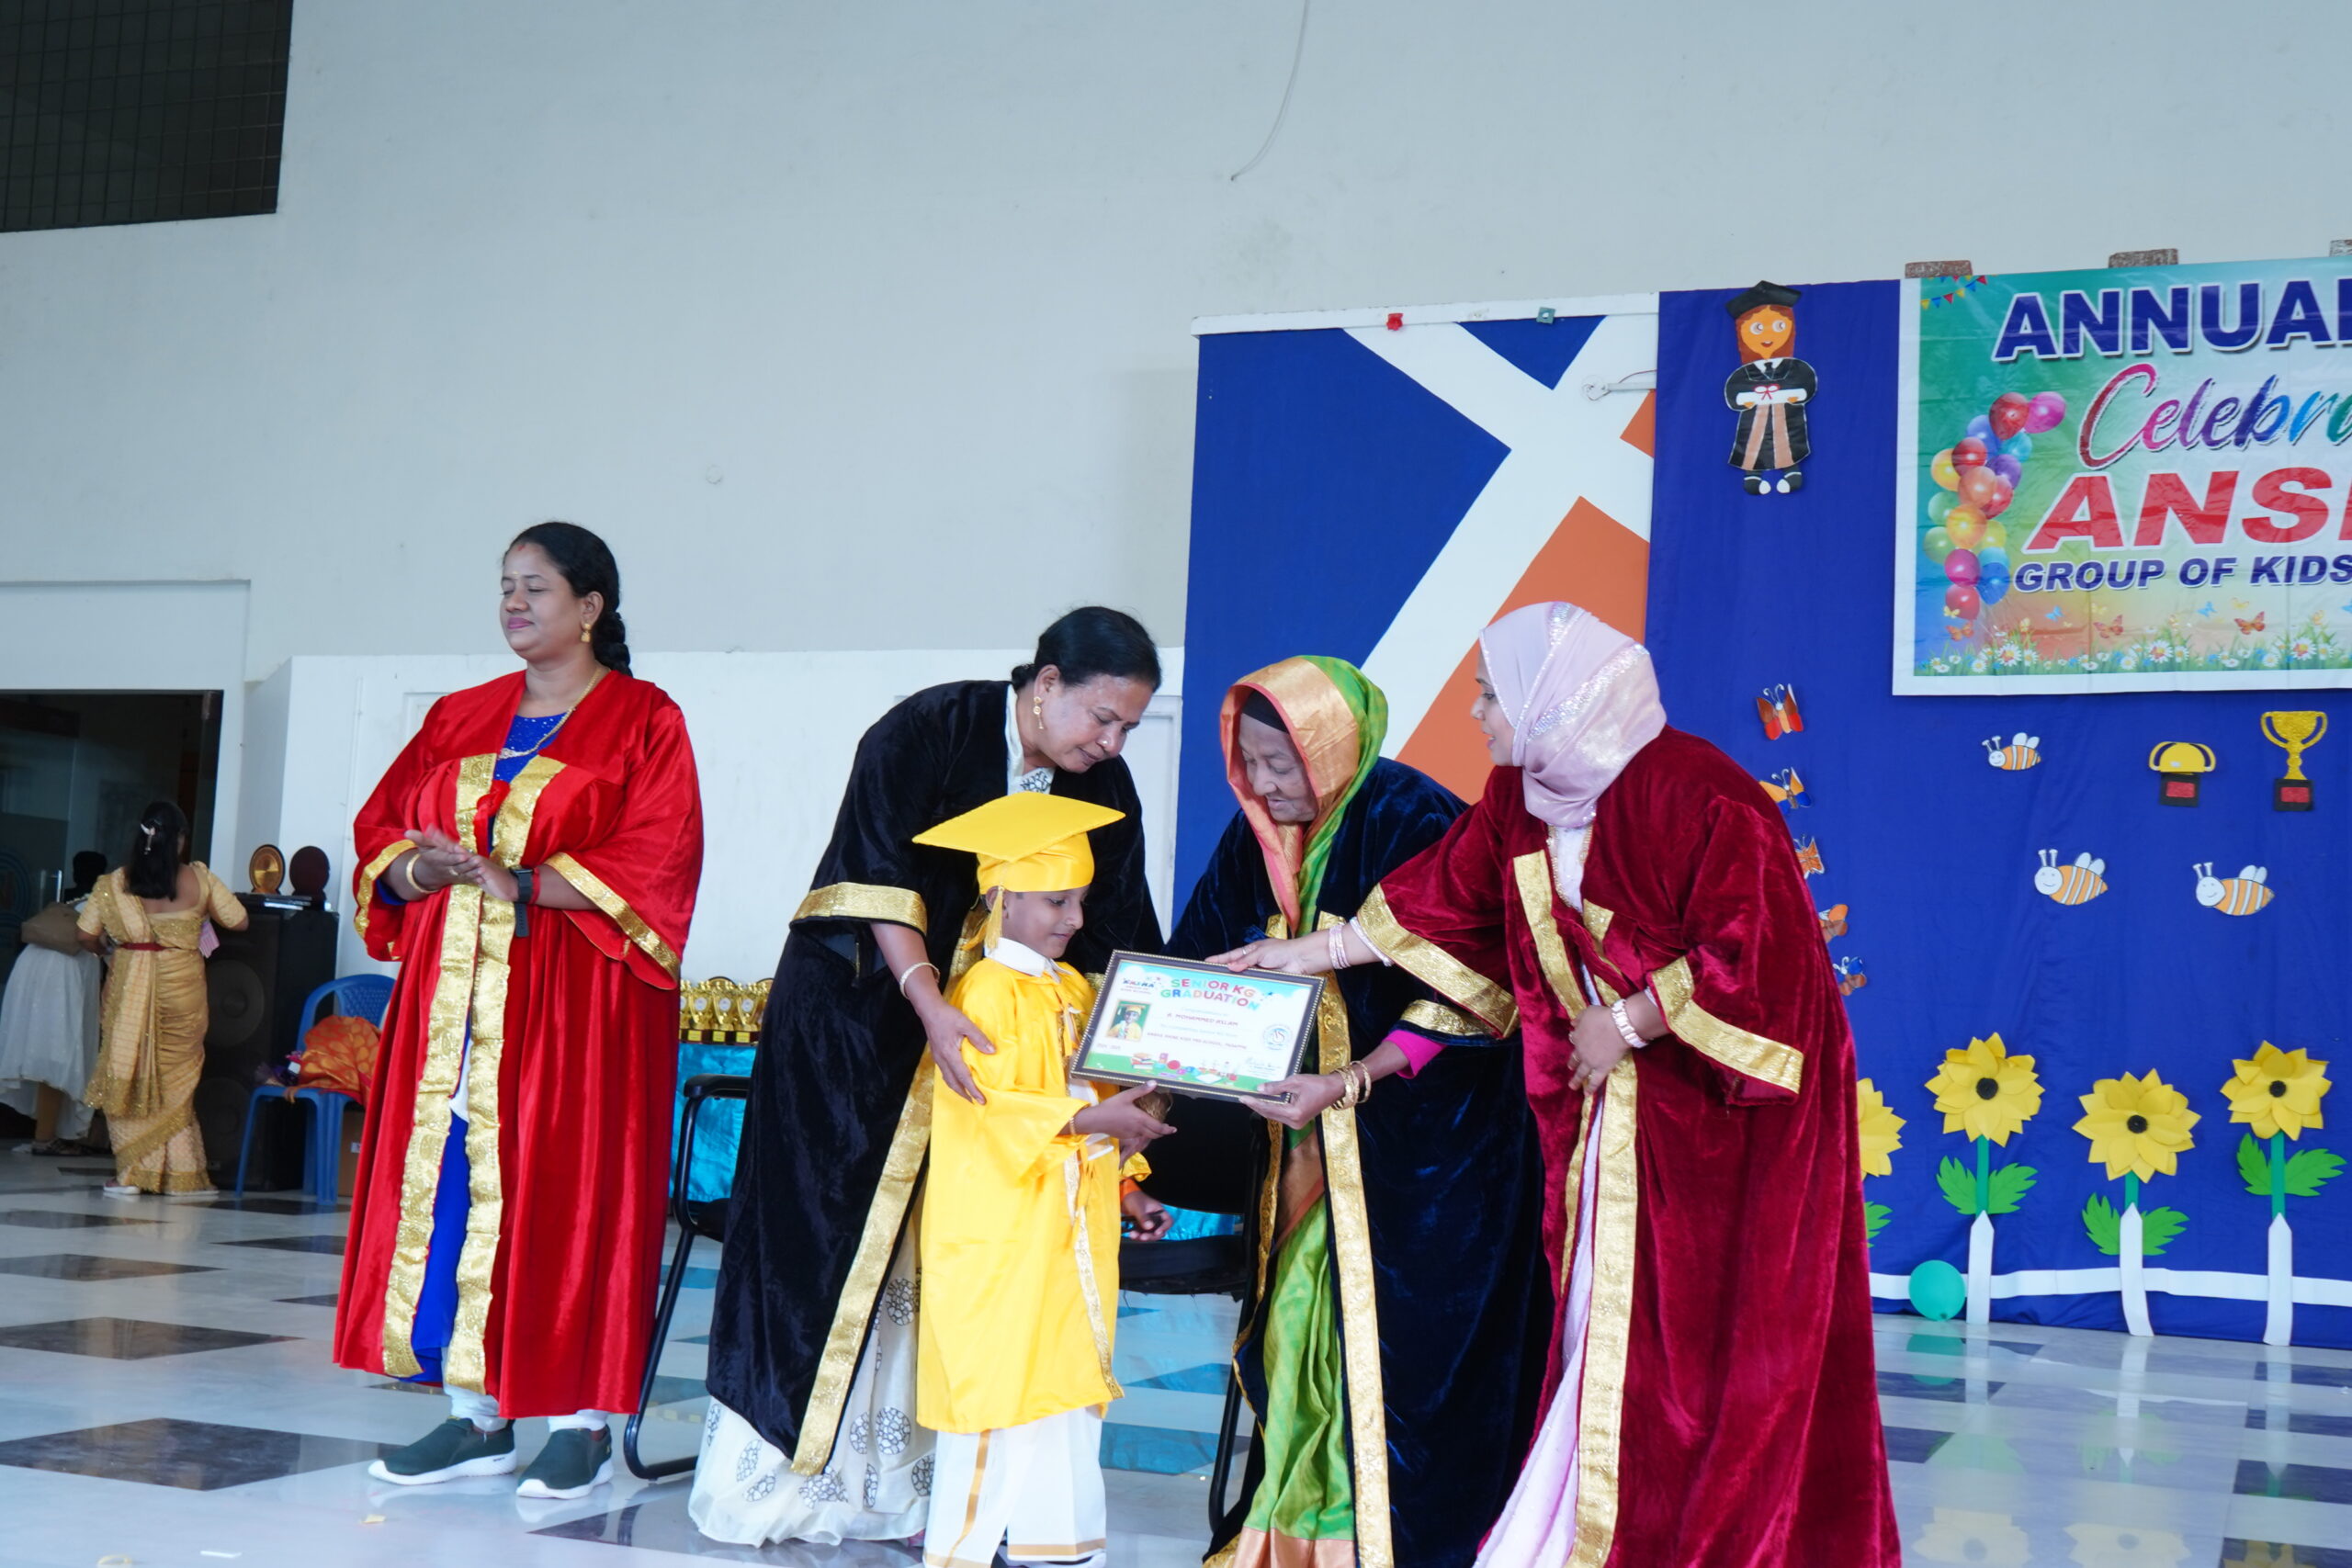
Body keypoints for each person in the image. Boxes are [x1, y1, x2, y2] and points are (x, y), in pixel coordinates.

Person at [1217, 604, 1897, 1568]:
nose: (1476, 713)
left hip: (1725, 1131)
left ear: (1554, 699)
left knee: (1713, 1356)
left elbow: (1765, 962)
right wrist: (1300, 954)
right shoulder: (1522, 797)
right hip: (1610, 1124)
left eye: (1490, 696)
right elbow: (1444, 901)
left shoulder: (1699, 793)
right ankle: (1583, 1532)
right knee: (1604, 1335)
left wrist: (1628, 1021)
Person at [695, 606, 1165, 1549]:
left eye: (1127, 728)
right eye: (1102, 717)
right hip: (858, 1026)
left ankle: (914, 1495)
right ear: (1046, 684)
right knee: (826, 1245)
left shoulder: (1103, 788)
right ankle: (786, 1483)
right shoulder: (928, 728)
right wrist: (928, 999)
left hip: (993, 1045)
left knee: (952, 1260)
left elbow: (1119, 938)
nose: (1112, 744)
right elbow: (875, 878)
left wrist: (1149, 1065)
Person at [1158, 657, 1550, 1568]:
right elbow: (1195, 960)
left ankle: (1391, 1545)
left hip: (1433, 1160)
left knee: (1406, 1359)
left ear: (1332, 746)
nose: (1263, 785)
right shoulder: (1256, 836)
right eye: (1249, 763)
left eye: (1282, 763)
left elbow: (1476, 991)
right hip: (1300, 1147)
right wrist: (1160, 1055)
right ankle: (1296, 1534)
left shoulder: (1416, 820)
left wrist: (1352, 1082)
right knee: (1301, 1331)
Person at [340, 521, 704, 1502]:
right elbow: (380, 833)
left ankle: (582, 1421)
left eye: (535, 587)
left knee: (567, 1190)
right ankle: (477, 1414)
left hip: (576, 1003)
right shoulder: (459, 715)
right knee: (457, 1178)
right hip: (451, 1001)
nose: (513, 602)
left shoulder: (642, 720)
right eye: (505, 585)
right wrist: (424, 869)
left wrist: (523, 881)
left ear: (589, 607)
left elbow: (660, 859)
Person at [907, 792, 1173, 1568]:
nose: (1074, 918)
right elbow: (991, 1108)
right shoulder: (984, 992)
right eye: (1057, 900)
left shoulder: (1076, 991)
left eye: (1079, 900)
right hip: (1005, 1236)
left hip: (1071, 1234)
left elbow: (1096, 1099)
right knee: (999, 1389)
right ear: (1003, 896)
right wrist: (1096, 1120)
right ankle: (961, 1551)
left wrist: (1127, 1185)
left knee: (1064, 1388)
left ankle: (1060, 1549)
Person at [74, 803, 245, 1196]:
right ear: (181, 839)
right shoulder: (199, 878)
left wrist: (109, 949)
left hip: (128, 989)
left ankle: (132, 1175)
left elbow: (84, 934)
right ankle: (181, 1176)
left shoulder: (113, 883)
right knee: (175, 1083)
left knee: (130, 1072)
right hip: (184, 995)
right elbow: (239, 920)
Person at [1, 857, 107, 1155]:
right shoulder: (106, 903)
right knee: (58, 1055)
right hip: (63, 976)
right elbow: (98, 942)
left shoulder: (71, 900)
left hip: (34, 969)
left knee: (45, 1053)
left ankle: (46, 1133)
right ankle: (46, 1137)